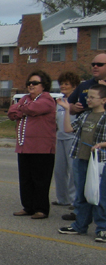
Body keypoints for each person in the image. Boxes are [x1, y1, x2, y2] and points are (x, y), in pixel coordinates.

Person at [57, 83, 106, 243]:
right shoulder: (85, 115)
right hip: (81, 159)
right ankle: (80, 225)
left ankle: (102, 229)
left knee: (99, 195)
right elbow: (68, 129)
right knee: (82, 194)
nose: (88, 100)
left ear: (103, 100)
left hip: (99, 164)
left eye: (92, 97)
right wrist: (66, 110)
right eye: (87, 96)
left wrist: (102, 145)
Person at [7, 71, 56, 219]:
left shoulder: (47, 100)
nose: (31, 85)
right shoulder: (25, 99)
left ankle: (41, 209)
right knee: (25, 179)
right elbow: (11, 112)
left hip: (42, 148)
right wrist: (22, 108)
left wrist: (21, 108)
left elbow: (33, 109)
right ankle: (28, 207)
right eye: (29, 83)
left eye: (35, 83)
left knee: (40, 179)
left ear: (44, 85)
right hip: (24, 146)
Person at [54, 71, 81, 209]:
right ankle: (62, 198)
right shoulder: (60, 101)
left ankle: (73, 200)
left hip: (73, 139)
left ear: (74, 86)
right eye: (62, 84)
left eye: (67, 84)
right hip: (60, 138)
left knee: (73, 171)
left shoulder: (77, 102)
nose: (63, 86)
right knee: (59, 170)